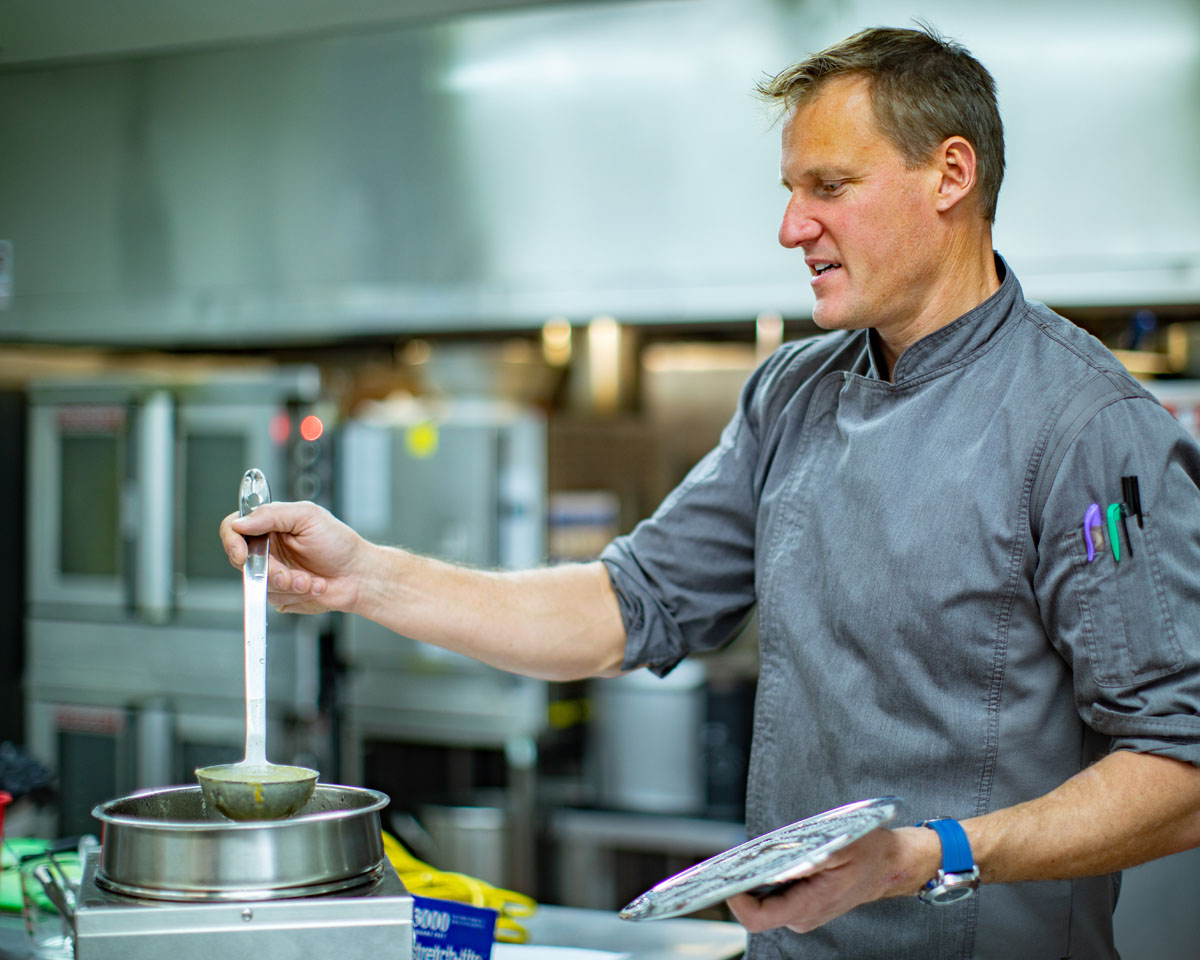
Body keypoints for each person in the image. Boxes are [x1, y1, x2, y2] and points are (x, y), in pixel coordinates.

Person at [220, 24, 1200, 959]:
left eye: (829, 187)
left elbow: (1183, 768)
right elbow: (624, 606)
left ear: (951, 173)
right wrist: (368, 579)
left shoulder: (1084, 428)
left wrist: (934, 855)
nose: (790, 227)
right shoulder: (793, 395)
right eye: (789, 189)